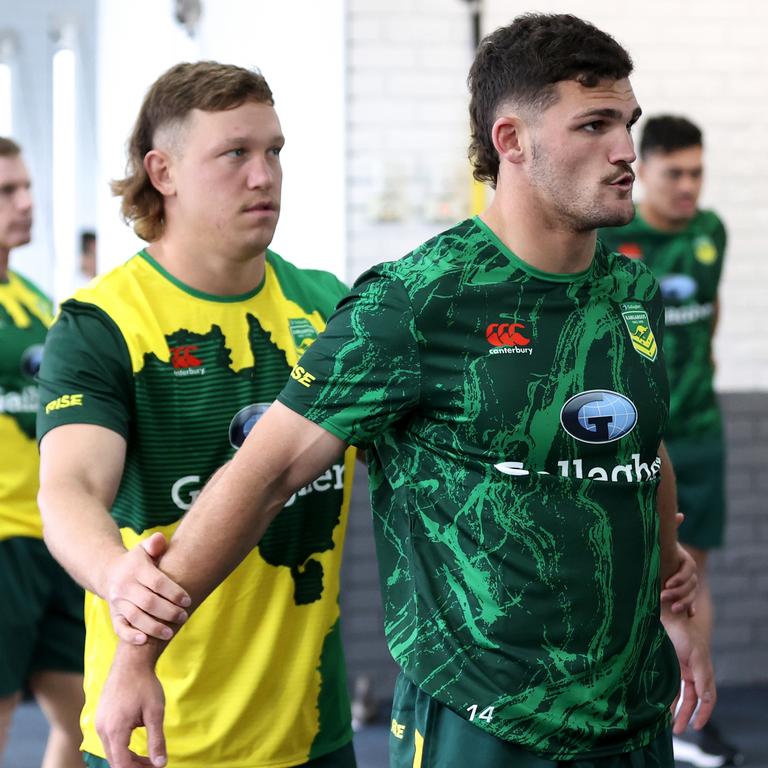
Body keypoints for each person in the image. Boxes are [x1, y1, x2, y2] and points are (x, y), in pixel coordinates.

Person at [70, 16, 711, 768]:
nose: (625, 151)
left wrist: (678, 593)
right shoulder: (415, 302)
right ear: (512, 141)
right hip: (484, 724)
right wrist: (138, 653)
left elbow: (639, 448)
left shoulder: (631, 289)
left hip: (633, 717)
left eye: (626, 124)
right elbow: (265, 473)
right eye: (595, 125)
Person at [36, 62, 357, 768]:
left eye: (274, 151)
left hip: (311, 731)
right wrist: (117, 574)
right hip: (156, 731)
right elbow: (68, 490)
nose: (264, 175)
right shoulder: (104, 324)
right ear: (164, 171)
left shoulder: (331, 309)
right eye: (235, 153)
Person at [600, 116, 741, 767]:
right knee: (640, 576)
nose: (689, 187)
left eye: (697, 172)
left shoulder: (712, 233)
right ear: (645, 171)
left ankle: (688, 718)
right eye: (675, 173)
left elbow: (704, 335)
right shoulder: (613, 236)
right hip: (636, 437)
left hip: (701, 432)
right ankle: (639, 705)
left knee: (694, 575)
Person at [0, 137, 85, 767]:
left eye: (26, 188)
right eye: (7, 192)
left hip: (52, 537)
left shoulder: (31, 299)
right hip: (0, 542)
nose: (25, 203)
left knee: (81, 714)